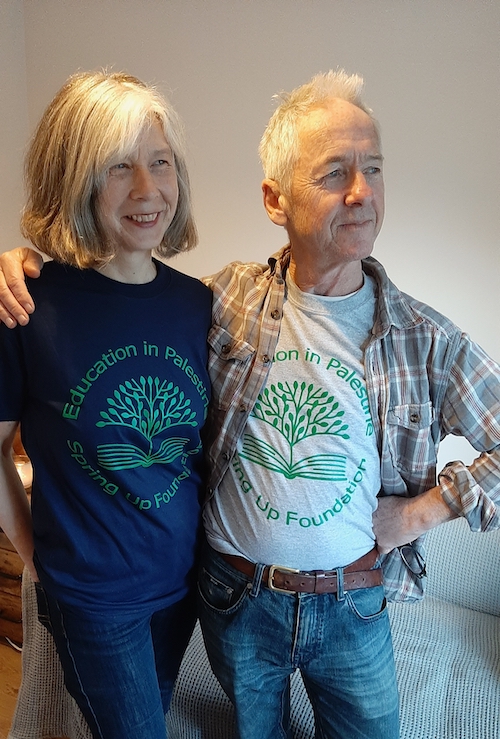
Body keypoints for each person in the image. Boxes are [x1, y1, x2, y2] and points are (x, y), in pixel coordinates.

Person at [1, 69, 500, 739]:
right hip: (229, 598)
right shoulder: (226, 302)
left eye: (373, 168)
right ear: (275, 198)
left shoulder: (421, 337)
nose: (360, 192)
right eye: (333, 172)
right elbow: (109, 292)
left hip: (331, 600)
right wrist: (18, 263)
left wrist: (417, 512)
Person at [0, 71, 212, 739]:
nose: (148, 190)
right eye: (119, 167)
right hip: (92, 599)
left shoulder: (197, 303)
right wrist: (34, 557)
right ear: (76, 179)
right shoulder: (28, 304)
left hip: (181, 584)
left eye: (160, 162)